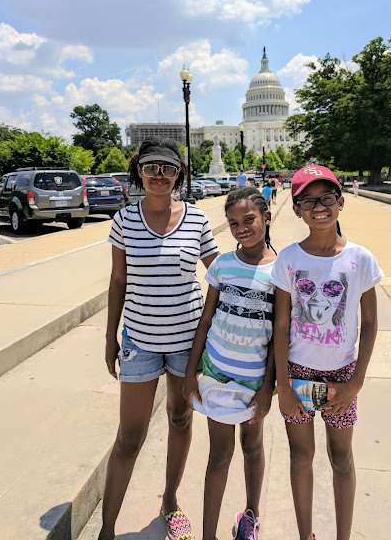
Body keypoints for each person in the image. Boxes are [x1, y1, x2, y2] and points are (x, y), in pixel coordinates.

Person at [99, 139, 219, 540]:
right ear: (139, 171)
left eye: (168, 168)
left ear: (178, 174)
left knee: (180, 417)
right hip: (140, 341)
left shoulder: (196, 219)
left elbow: (219, 273)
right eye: (151, 167)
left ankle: (170, 500)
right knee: (129, 437)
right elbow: (118, 280)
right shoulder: (124, 220)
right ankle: (107, 529)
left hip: (188, 341)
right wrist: (110, 337)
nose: (159, 175)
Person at [271, 165, 383, 540]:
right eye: (308, 201)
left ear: (341, 202)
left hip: (342, 375)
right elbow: (282, 325)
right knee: (301, 457)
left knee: (341, 457)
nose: (319, 207)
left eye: (327, 198)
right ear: (297, 209)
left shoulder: (360, 259)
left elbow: (370, 323)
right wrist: (283, 387)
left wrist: (356, 382)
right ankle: (306, 535)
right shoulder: (289, 260)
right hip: (298, 373)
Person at [183, 187, 277, 540]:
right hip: (216, 375)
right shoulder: (222, 264)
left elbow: (278, 335)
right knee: (219, 455)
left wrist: (268, 388)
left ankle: (251, 515)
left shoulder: (281, 270)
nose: (242, 228)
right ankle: (208, 534)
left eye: (249, 219)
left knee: (252, 446)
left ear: (266, 218)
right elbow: (206, 320)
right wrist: (191, 374)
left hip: (254, 381)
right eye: (234, 223)